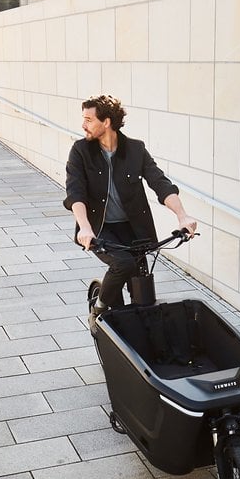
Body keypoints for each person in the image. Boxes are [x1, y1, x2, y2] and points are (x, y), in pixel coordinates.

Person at [64, 95, 197, 329]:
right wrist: (84, 227)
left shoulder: (135, 150)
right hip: (100, 227)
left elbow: (160, 183)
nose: (83, 125)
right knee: (123, 264)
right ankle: (99, 310)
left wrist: (182, 215)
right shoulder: (81, 151)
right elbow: (76, 193)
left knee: (142, 286)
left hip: (134, 229)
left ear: (106, 122)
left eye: (88, 119)